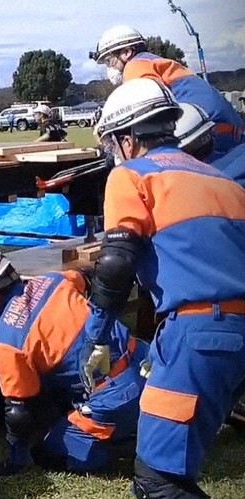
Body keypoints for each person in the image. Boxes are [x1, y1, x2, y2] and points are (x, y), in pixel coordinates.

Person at [92, 78, 245, 498]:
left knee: (159, 479)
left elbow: (116, 261)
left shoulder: (132, 176)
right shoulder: (223, 181)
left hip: (200, 334)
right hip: (232, 332)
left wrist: (98, 335)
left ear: (126, 138)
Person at [0, 246, 148, 476]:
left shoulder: (8, 341)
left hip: (117, 397)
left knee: (48, 453)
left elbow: (17, 413)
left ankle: (127, 444)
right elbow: (87, 276)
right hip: (147, 362)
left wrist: (15, 460)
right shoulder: (53, 280)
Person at [91, 25, 243, 156]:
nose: (109, 69)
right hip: (229, 133)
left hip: (211, 139)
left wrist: (112, 143)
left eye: (110, 61)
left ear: (126, 53)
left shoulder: (135, 67)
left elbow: (146, 116)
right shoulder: (154, 62)